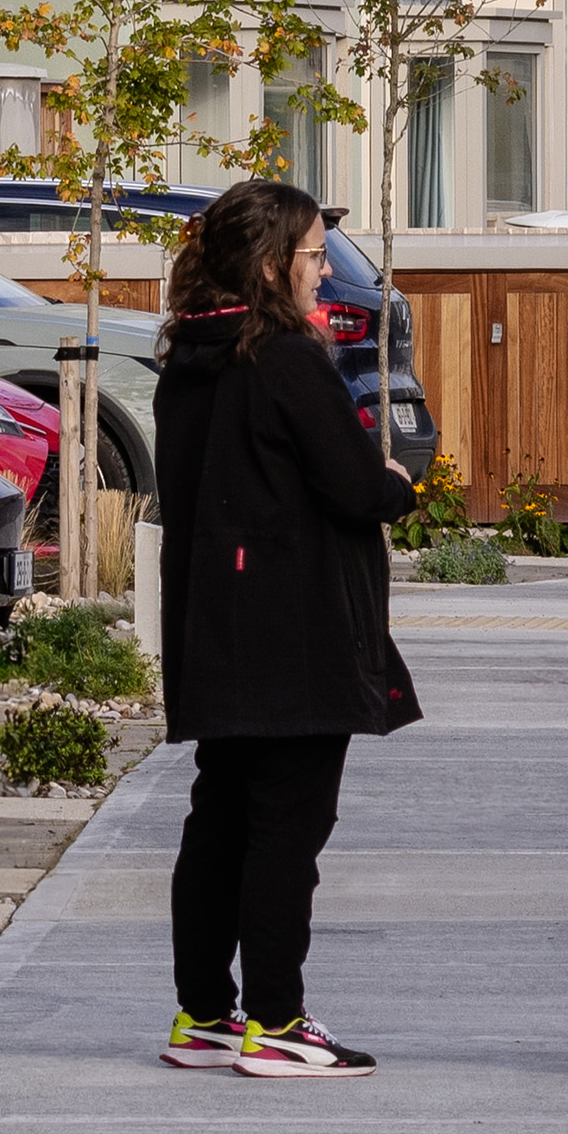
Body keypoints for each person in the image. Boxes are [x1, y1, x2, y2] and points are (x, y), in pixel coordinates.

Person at [152, 178, 419, 1079]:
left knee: (220, 816)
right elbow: (353, 486)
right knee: (286, 830)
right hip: (294, 624)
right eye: (313, 255)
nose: (321, 272)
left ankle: (205, 1014)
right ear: (273, 264)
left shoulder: (191, 351)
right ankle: (277, 1019)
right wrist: (396, 481)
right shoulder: (285, 355)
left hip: (215, 619)